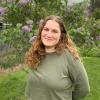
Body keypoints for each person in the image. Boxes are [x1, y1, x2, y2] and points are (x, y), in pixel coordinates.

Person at [25, 15, 90, 100]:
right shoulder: (36, 52)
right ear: (41, 31)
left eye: (54, 31)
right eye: (46, 29)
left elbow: (83, 89)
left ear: (61, 35)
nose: (48, 34)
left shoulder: (69, 57)